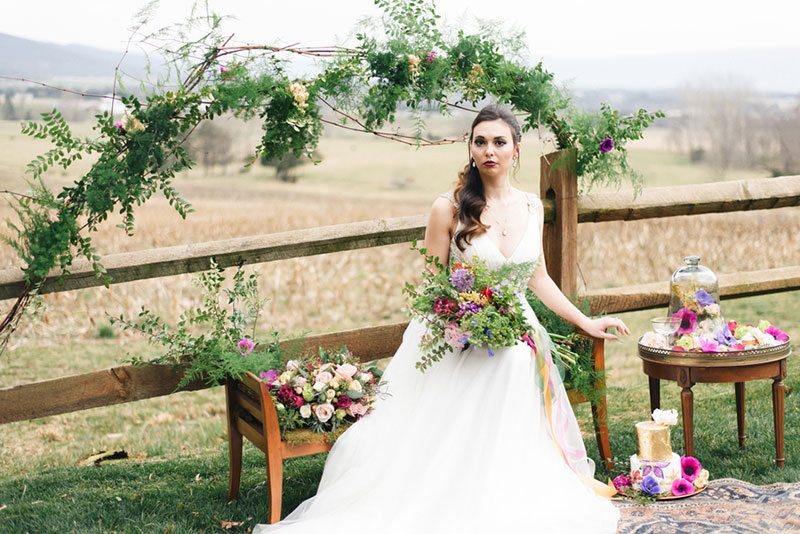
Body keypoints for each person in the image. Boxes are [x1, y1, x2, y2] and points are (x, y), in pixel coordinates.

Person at [254, 104, 630, 533]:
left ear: (516, 150)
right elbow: (431, 287)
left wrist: (586, 321)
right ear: (471, 149)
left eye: (499, 142)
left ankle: (502, 490)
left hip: (517, 329)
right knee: (503, 364)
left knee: (515, 361)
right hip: (457, 334)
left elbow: (538, 277)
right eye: (480, 141)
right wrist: (467, 320)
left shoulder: (531, 206)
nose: (489, 150)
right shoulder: (449, 207)